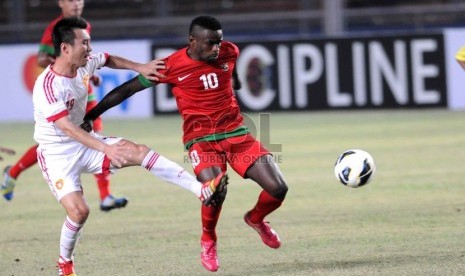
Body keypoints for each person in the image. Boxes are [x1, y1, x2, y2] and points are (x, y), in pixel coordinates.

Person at [83, 15, 288, 272]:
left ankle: (256, 219)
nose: (217, 48)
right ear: (192, 41)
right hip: (200, 140)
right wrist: (91, 115)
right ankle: (208, 239)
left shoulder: (229, 51)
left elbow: (231, 71)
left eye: (219, 42)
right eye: (210, 43)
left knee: (278, 188)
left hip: (236, 134)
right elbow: (127, 90)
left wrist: (233, 83)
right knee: (215, 192)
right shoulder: (171, 66)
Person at [33, 17, 228, 276]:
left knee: (139, 151)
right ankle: (65, 263)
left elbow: (108, 58)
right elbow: (68, 128)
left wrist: (141, 67)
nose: (90, 49)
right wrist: (105, 149)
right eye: (85, 43)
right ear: (66, 48)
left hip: (84, 143)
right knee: (80, 212)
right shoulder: (47, 86)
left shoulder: (84, 64)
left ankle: (201, 191)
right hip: (57, 154)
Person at [1, 0, 128, 211]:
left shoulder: (84, 26)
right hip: (63, 92)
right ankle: (12, 172)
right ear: (61, 3)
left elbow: (85, 58)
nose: (77, 4)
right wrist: (66, 64)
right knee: (54, 143)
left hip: (84, 90)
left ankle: (105, 196)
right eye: (71, 0)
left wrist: (86, 72)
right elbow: (41, 58)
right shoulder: (54, 29)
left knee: (94, 133)